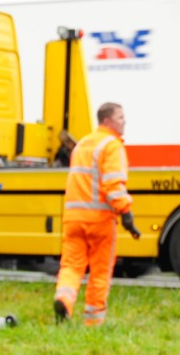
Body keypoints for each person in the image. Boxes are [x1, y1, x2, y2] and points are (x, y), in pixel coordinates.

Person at [54, 102, 142, 326]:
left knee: (71, 265)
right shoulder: (112, 146)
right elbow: (112, 185)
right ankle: (93, 322)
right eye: (120, 117)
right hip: (100, 221)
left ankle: (64, 299)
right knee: (100, 272)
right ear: (107, 121)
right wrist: (126, 213)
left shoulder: (82, 144)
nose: (125, 122)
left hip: (73, 219)